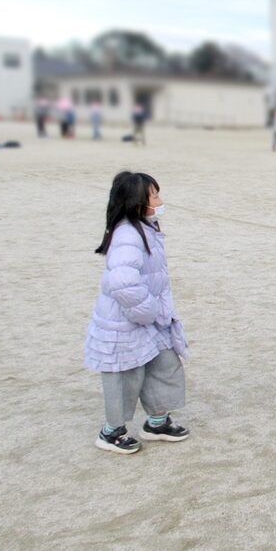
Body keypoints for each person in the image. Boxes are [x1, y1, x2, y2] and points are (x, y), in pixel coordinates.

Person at [84, 171, 190, 454]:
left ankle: (157, 421)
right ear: (136, 202)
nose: (160, 200)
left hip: (151, 320)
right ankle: (112, 432)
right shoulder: (127, 234)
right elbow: (121, 281)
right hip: (126, 323)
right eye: (154, 196)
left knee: (164, 366)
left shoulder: (146, 227)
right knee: (124, 377)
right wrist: (147, 310)